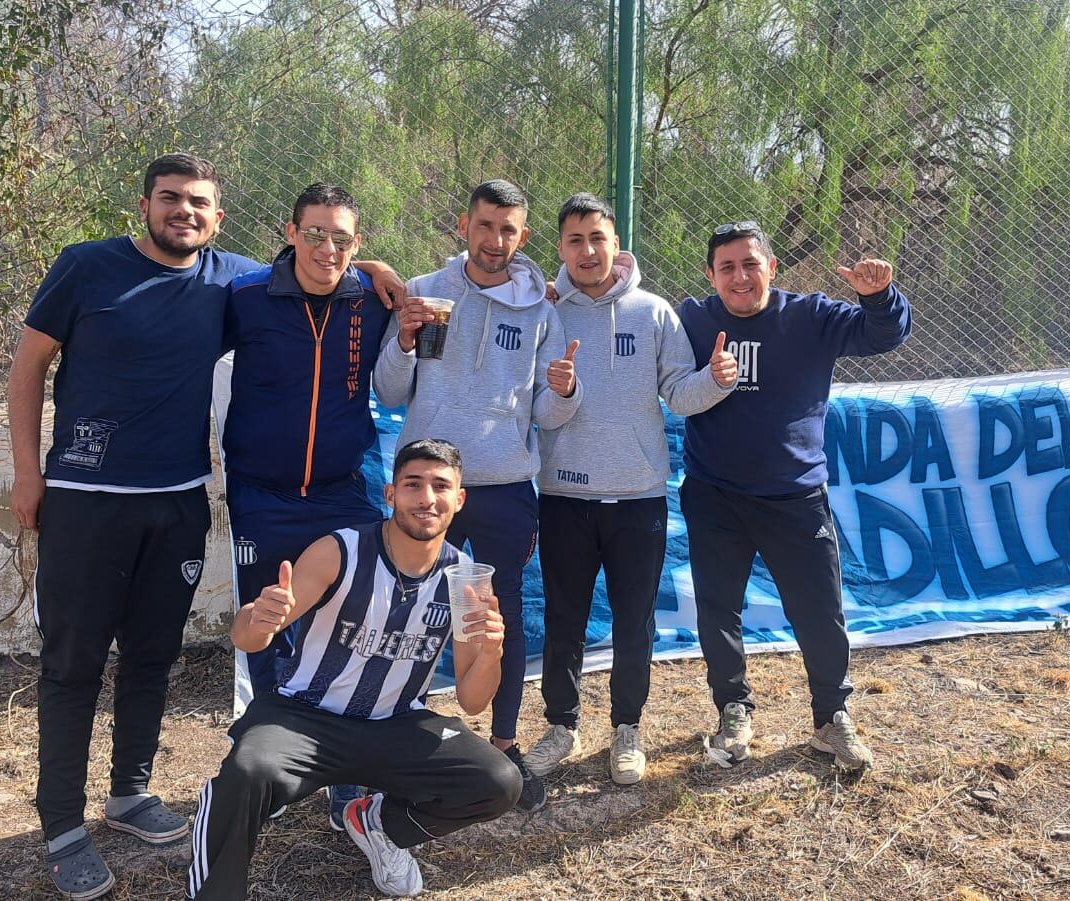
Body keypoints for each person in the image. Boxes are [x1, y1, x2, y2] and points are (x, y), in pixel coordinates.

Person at [8, 153, 259, 900]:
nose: (185, 212)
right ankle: (61, 823)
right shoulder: (86, 267)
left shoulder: (230, 279)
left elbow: (314, 264)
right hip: (86, 501)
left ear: (218, 217)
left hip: (179, 500)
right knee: (73, 663)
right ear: (144, 203)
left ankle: (129, 794)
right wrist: (29, 473)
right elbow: (27, 371)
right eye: (171, 198)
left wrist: (374, 268)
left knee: (154, 655)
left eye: (200, 203)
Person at [186, 439, 521, 900]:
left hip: (395, 722)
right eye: (413, 485)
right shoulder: (339, 551)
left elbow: (473, 700)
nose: (427, 498)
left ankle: (377, 823)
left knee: (497, 783)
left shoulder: (464, 578)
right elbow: (249, 637)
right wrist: (257, 617)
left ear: (459, 499)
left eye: (441, 486)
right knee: (246, 771)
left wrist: (490, 652)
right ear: (390, 495)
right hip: (306, 717)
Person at [374, 179, 581, 811]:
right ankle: (388, 742)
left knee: (500, 619)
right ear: (464, 226)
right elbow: (388, 391)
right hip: (427, 491)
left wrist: (564, 391)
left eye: (509, 230)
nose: (496, 241)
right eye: (486, 226)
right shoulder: (422, 292)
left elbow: (545, 417)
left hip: (502, 491)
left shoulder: (540, 310)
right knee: (401, 613)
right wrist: (405, 339)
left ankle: (506, 743)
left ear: (522, 237)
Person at [676, 220, 912, 774]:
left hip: (795, 498)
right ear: (711, 276)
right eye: (727, 267)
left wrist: (879, 296)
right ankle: (733, 709)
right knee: (718, 611)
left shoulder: (808, 316)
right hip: (716, 496)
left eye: (750, 264)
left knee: (819, 613)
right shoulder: (691, 320)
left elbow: (883, 335)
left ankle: (832, 718)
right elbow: (630, 325)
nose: (740, 276)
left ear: (772, 267)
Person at [522, 193, 737, 785]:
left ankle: (627, 728)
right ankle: (562, 725)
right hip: (564, 496)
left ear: (617, 245)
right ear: (559, 248)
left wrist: (716, 382)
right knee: (564, 616)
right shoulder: (544, 313)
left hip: (638, 499)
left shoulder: (653, 313)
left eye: (598, 238)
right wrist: (560, 393)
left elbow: (680, 394)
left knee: (632, 620)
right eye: (574, 240)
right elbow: (539, 413)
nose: (587, 251)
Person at [217, 183, 394, 828]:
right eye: (315, 234)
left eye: (342, 239)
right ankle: (267, 757)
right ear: (290, 233)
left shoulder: (372, 301)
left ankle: (345, 775)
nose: (327, 249)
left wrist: (382, 274)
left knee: (344, 623)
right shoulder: (245, 299)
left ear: (359, 244)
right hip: (262, 493)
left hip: (342, 491)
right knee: (266, 620)